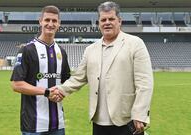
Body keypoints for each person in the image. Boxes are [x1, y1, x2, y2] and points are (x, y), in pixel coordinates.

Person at [51, 1, 153, 135]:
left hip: (125, 119)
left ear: (119, 21)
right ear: (98, 23)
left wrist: (140, 113)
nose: (107, 22)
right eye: (103, 19)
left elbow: (144, 82)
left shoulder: (135, 44)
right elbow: (78, 77)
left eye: (111, 19)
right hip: (98, 121)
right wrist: (61, 90)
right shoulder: (90, 49)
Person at [10, 5, 70, 135]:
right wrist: (46, 92)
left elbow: (67, 82)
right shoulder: (27, 50)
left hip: (58, 124)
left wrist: (63, 92)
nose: (50, 24)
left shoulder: (62, 52)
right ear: (40, 21)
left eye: (54, 21)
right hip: (33, 125)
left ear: (59, 24)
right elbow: (16, 84)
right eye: (47, 20)